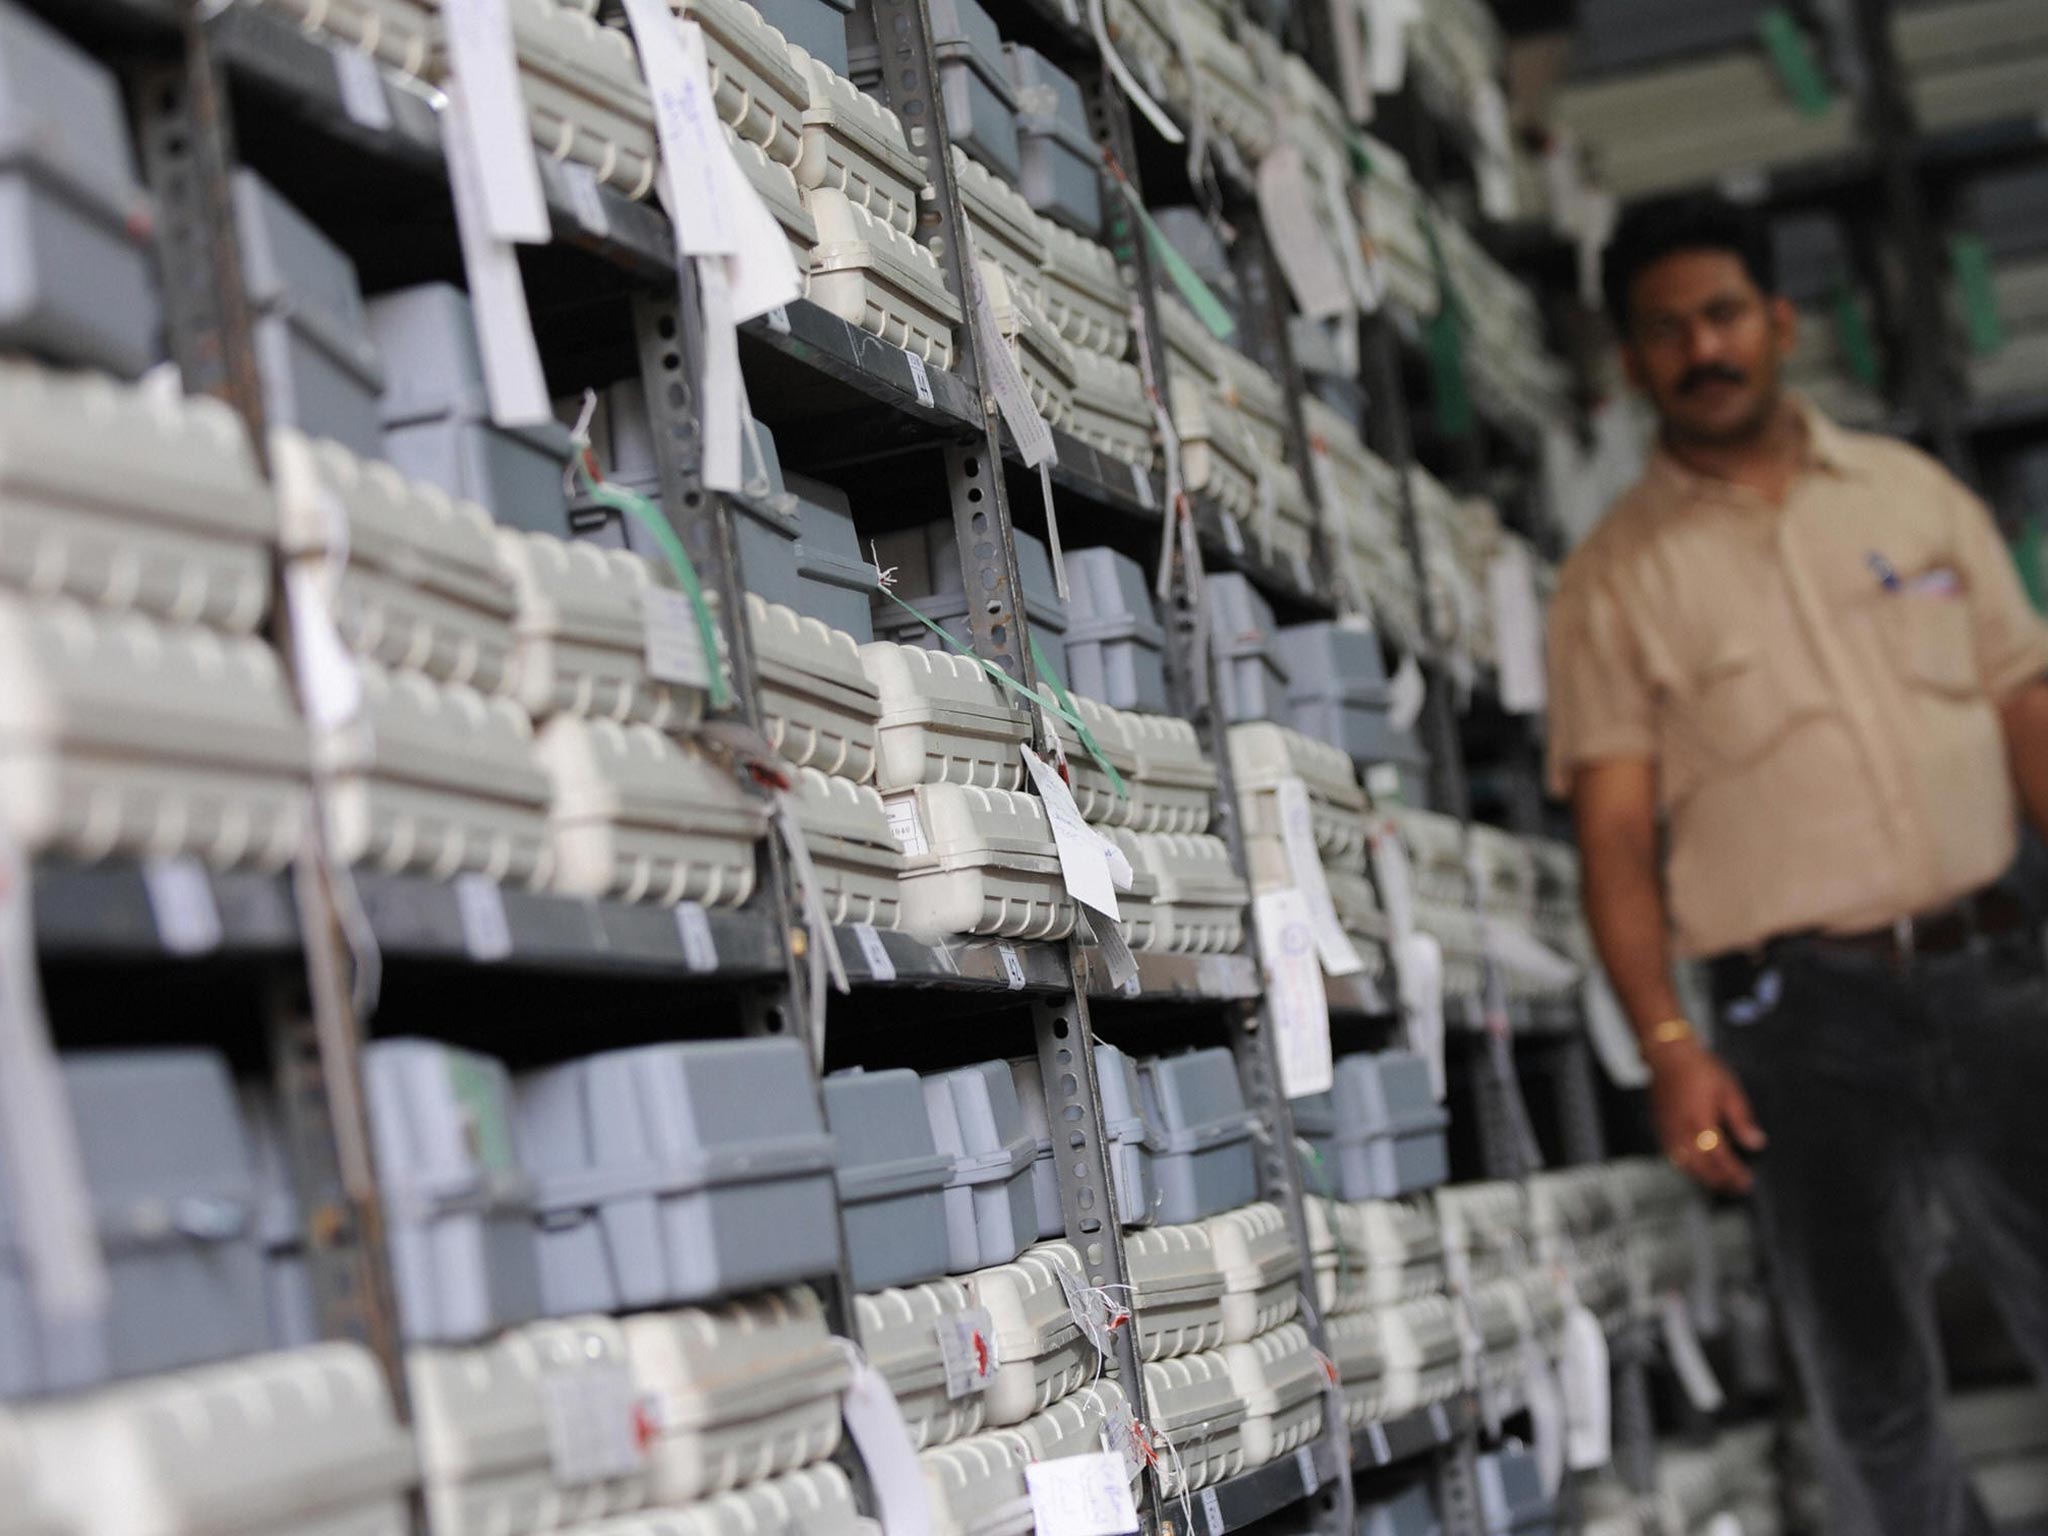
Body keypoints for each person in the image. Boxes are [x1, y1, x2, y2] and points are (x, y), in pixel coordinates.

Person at [1546, 192, 2048, 1536]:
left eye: (1722, 316)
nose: (1701, 349)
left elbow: (2029, 713)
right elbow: (1611, 837)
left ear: (1777, 323)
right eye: (1666, 332)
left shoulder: (1915, 497)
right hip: (1802, 1029)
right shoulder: (1613, 582)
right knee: (1870, 1394)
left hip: (1999, 974)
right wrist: (1668, 1045)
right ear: (1632, 362)